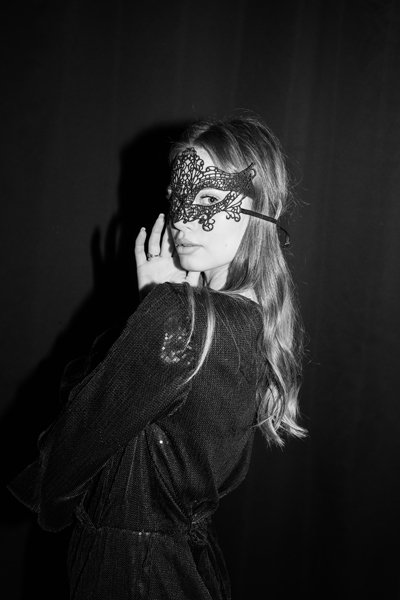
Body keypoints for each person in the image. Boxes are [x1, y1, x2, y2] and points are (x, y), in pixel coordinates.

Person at [8, 114, 306, 599]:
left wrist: (152, 310)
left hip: (130, 574)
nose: (182, 218)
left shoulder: (181, 317)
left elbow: (68, 443)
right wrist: (154, 310)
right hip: (183, 567)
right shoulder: (254, 322)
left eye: (206, 198)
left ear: (261, 208)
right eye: (176, 198)